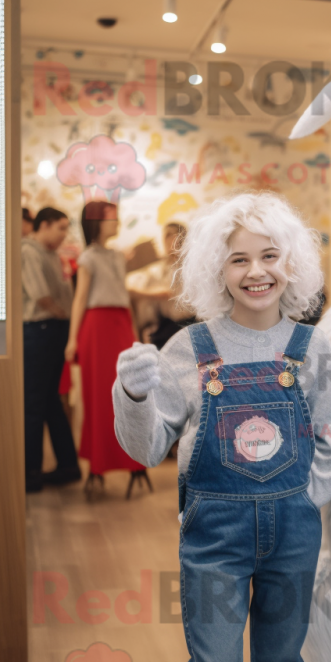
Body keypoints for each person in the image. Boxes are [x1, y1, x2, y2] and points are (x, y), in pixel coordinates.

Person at [112, 191, 331, 662]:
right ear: (216, 268)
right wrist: (134, 395)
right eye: (238, 259)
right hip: (215, 538)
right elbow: (144, 449)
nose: (256, 272)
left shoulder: (312, 348)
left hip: (293, 535)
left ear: (290, 264)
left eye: (269, 256)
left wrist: (309, 498)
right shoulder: (189, 349)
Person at [64, 201, 146, 497]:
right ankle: (98, 465)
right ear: (97, 221)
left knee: (129, 394)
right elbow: (80, 299)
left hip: (120, 324)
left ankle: (133, 461)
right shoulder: (88, 257)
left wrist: (135, 336)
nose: (118, 222)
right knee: (99, 399)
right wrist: (72, 340)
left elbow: (124, 297)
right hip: (96, 328)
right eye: (113, 218)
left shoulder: (116, 256)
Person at [22, 207, 81, 492]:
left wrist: (63, 319)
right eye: (60, 228)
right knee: (40, 402)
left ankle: (40, 472)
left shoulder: (52, 255)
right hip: (41, 329)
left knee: (42, 401)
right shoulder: (28, 251)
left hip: (48, 331)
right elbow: (41, 295)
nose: (64, 234)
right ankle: (43, 468)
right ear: (42, 225)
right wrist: (62, 316)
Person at [126, 222, 196, 348]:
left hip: (190, 326)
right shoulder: (157, 269)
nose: (169, 240)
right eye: (166, 236)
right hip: (165, 329)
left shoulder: (192, 267)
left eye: (173, 235)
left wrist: (141, 294)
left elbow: (171, 292)